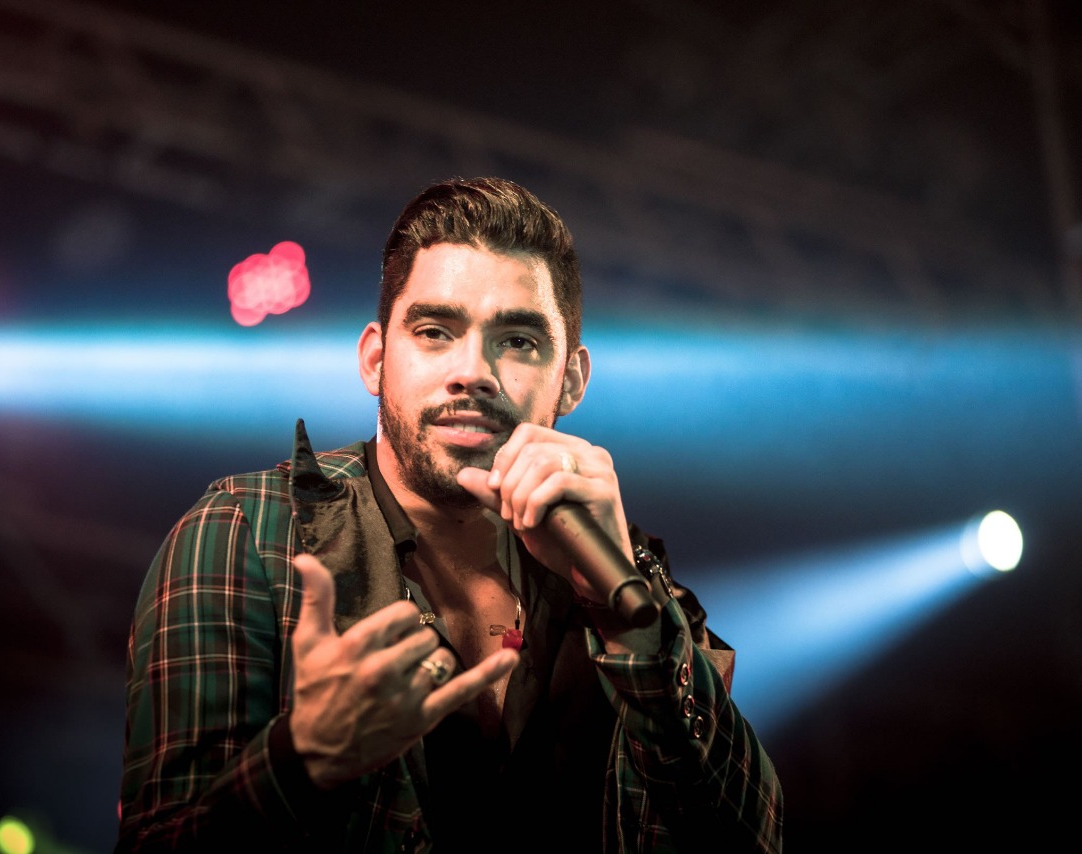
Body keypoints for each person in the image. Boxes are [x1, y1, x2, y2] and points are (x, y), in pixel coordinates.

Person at [114, 176, 783, 852]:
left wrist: (627, 622)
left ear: (572, 380)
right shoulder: (247, 533)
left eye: (518, 341)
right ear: (376, 360)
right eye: (435, 331)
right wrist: (301, 763)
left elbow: (752, 838)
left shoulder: (627, 583)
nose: (473, 370)